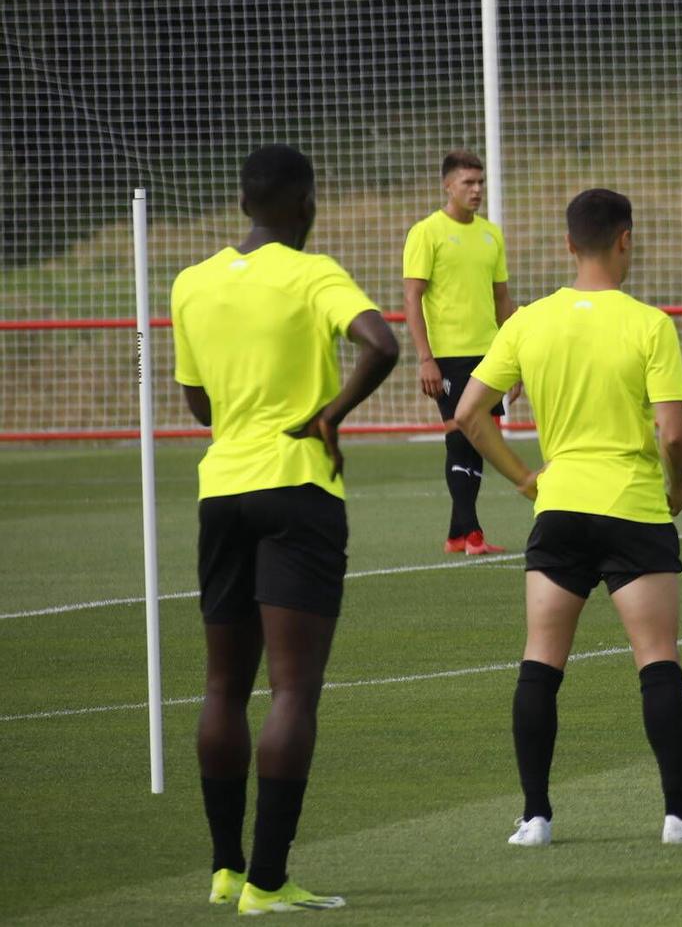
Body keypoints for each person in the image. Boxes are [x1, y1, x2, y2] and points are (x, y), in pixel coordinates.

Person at [452, 188, 682, 847]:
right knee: (657, 659)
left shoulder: (527, 321)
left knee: (541, 662)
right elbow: (672, 432)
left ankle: (534, 817)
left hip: (560, 509)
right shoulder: (648, 323)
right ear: (625, 240)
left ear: (567, 244)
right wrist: (680, 484)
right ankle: (680, 814)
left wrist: (527, 479)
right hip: (633, 508)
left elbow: (469, 414)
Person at [171, 145, 400, 914]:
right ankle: (269, 881)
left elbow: (197, 405)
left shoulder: (190, 283)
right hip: (297, 483)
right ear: (305, 204)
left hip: (221, 487)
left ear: (243, 203)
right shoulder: (313, 272)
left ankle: (225, 869)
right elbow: (383, 344)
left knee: (222, 686)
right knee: (294, 688)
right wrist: (330, 411)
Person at [402, 149, 516, 555]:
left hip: (490, 354)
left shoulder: (491, 234)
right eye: (468, 182)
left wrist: (515, 357)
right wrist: (425, 357)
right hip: (448, 356)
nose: (477, 190)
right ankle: (473, 536)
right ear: (447, 185)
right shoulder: (426, 233)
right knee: (460, 438)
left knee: (481, 438)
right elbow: (412, 299)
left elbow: (503, 299)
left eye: (480, 182)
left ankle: (457, 535)